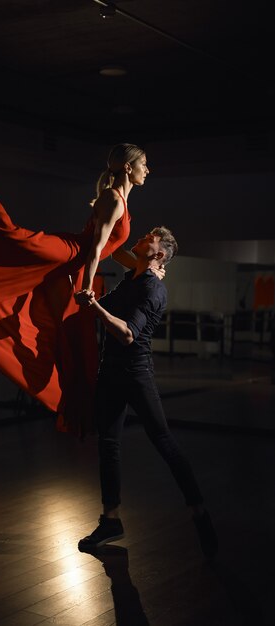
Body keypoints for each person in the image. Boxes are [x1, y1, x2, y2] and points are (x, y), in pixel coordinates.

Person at [0, 139, 153, 436]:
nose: (147, 170)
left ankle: (81, 412)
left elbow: (115, 249)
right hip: (68, 254)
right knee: (9, 236)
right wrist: (87, 290)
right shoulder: (113, 199)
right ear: (128, 167)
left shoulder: (120, 201)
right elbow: (96, 249)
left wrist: (146, 268)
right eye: (144, 164)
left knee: (71, 335)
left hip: (72, 265)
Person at [76, 227, 218, 559]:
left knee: (163, 441)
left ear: (159, 254)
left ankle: (199, 512)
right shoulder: (132, 279)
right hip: (110, 371)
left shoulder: (153, 290)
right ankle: (110, 520)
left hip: (135, 373)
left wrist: (95, 306)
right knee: (108, 443)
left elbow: (127, 334)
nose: (144, 236)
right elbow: (114, 250)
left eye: (151, 237)